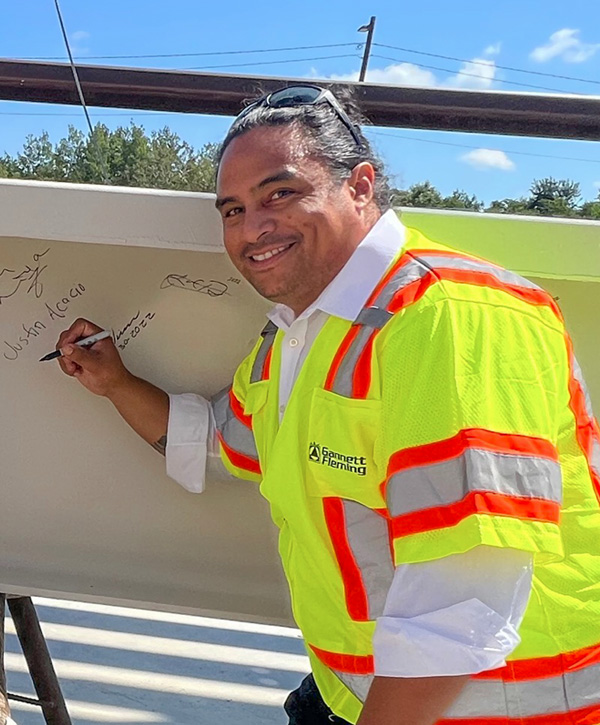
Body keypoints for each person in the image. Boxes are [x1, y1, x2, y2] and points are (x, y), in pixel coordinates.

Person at [56, 85, 600, 725]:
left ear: (361, 185)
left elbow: (462, 607)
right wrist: (114, 380)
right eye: (231, 209)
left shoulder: (448, 315)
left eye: (279, 193)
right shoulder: (298, 333)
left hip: (493, 709)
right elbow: (213, 444)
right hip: (358, 692)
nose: (251, 227)